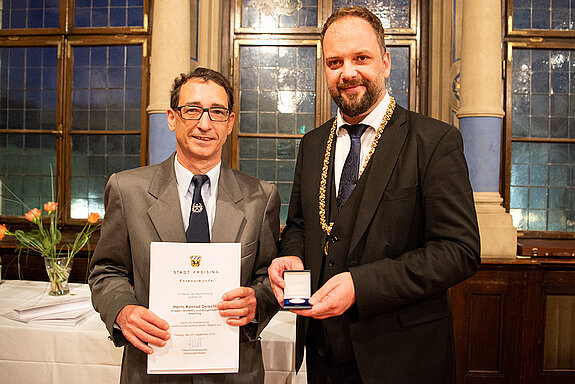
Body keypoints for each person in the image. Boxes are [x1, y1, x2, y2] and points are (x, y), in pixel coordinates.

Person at [268, 6, 480, 384]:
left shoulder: (434, 141)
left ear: (385, 62)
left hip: (403, 358)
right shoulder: (313, 144)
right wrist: (290, 254)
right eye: (335, 62)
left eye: (360, 58)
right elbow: (300, 225)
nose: (347, 72)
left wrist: (361, 286)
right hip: (323, 355)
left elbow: (458, 251)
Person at [89, 67, 280, 384]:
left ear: (230, 123)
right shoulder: (128, 190)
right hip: (152, 366)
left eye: (217, 112)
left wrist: (257, 302)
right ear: (172, 118)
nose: (205, 124)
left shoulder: (261, 197)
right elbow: (106, 270)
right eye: (192, 110)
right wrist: (122, 310)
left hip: (233, 371)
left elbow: (267, 276)